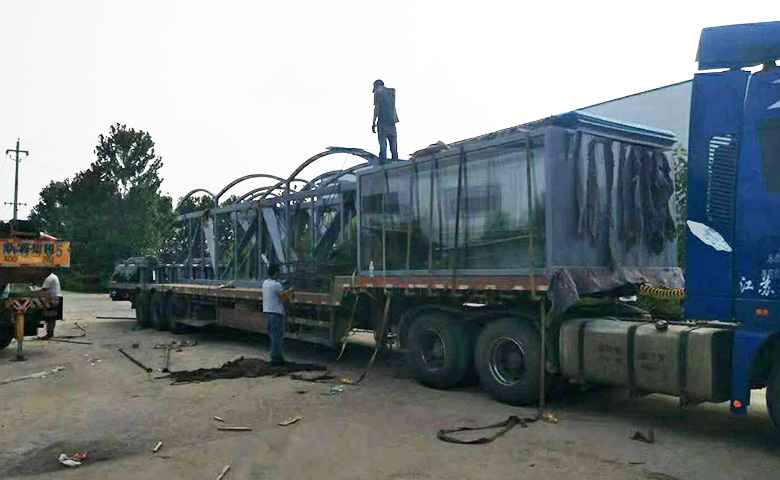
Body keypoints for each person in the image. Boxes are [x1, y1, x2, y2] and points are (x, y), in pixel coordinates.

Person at [262, 265, 293, 366]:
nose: (279, 275)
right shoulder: (277, 285)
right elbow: (283, 297)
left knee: (274, 336)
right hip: (276, 313)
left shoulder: (265, 283)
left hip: (268, 313)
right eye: (278, 272)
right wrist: (291, 290)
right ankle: (276, 359)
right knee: (277, 337)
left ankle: (277, 357)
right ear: (275, 273)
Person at [372, 79, 399, 163]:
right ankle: (395, 161)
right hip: (392, 122)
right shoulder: (391, 92)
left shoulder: (378, 92)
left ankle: (383, 163)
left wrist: (373, 123)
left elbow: (377, 108)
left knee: (383, 146)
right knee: (393, 146)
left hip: (382, 123)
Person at [42, 270, 63, 339]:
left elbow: (44, 290)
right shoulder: (54, 276)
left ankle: (49, 333)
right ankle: (50, 332)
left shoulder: (49, 278)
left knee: (50, 317)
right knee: (52, 317)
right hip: (57, 297)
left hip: (52, 298)